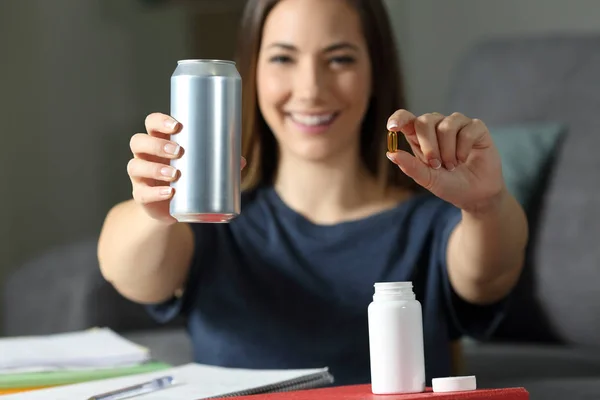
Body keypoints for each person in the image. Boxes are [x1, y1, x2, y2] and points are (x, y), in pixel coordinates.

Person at [98, 0, 528, 387]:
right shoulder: (214, 220)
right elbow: (130, 275)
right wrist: (155, 208)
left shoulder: (435, 224)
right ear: (252, 73)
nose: (310, 89)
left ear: (375, 71)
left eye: (339, 59)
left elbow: (491, 276)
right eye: (283, 58)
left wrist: (486, 204)